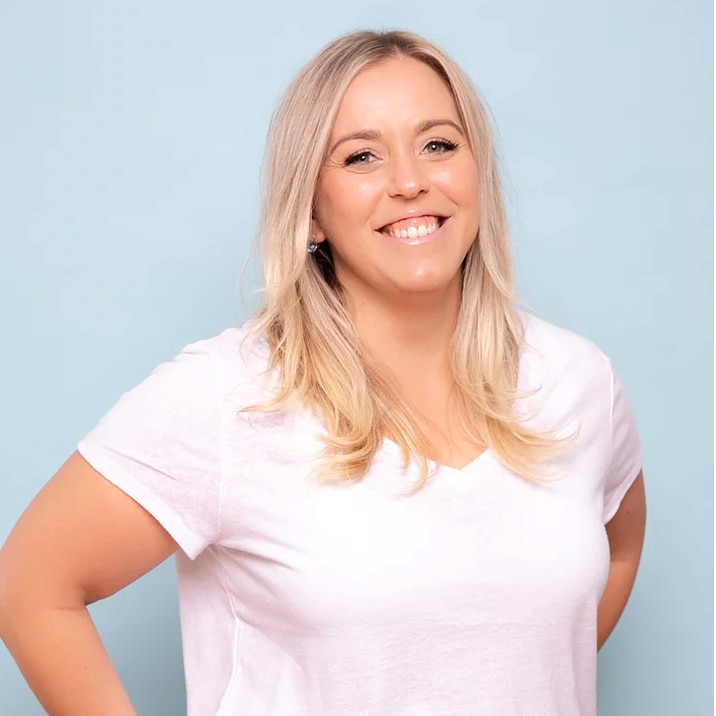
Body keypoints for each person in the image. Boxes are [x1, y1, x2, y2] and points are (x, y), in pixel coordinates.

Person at [0, 29, 646, 716]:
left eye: (438, 144)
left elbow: (618, 554)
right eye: (361, 156)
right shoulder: (232, 396)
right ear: (311, 211)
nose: (408, 181)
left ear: (477, 174)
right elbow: (28, 584)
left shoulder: (576, 379)